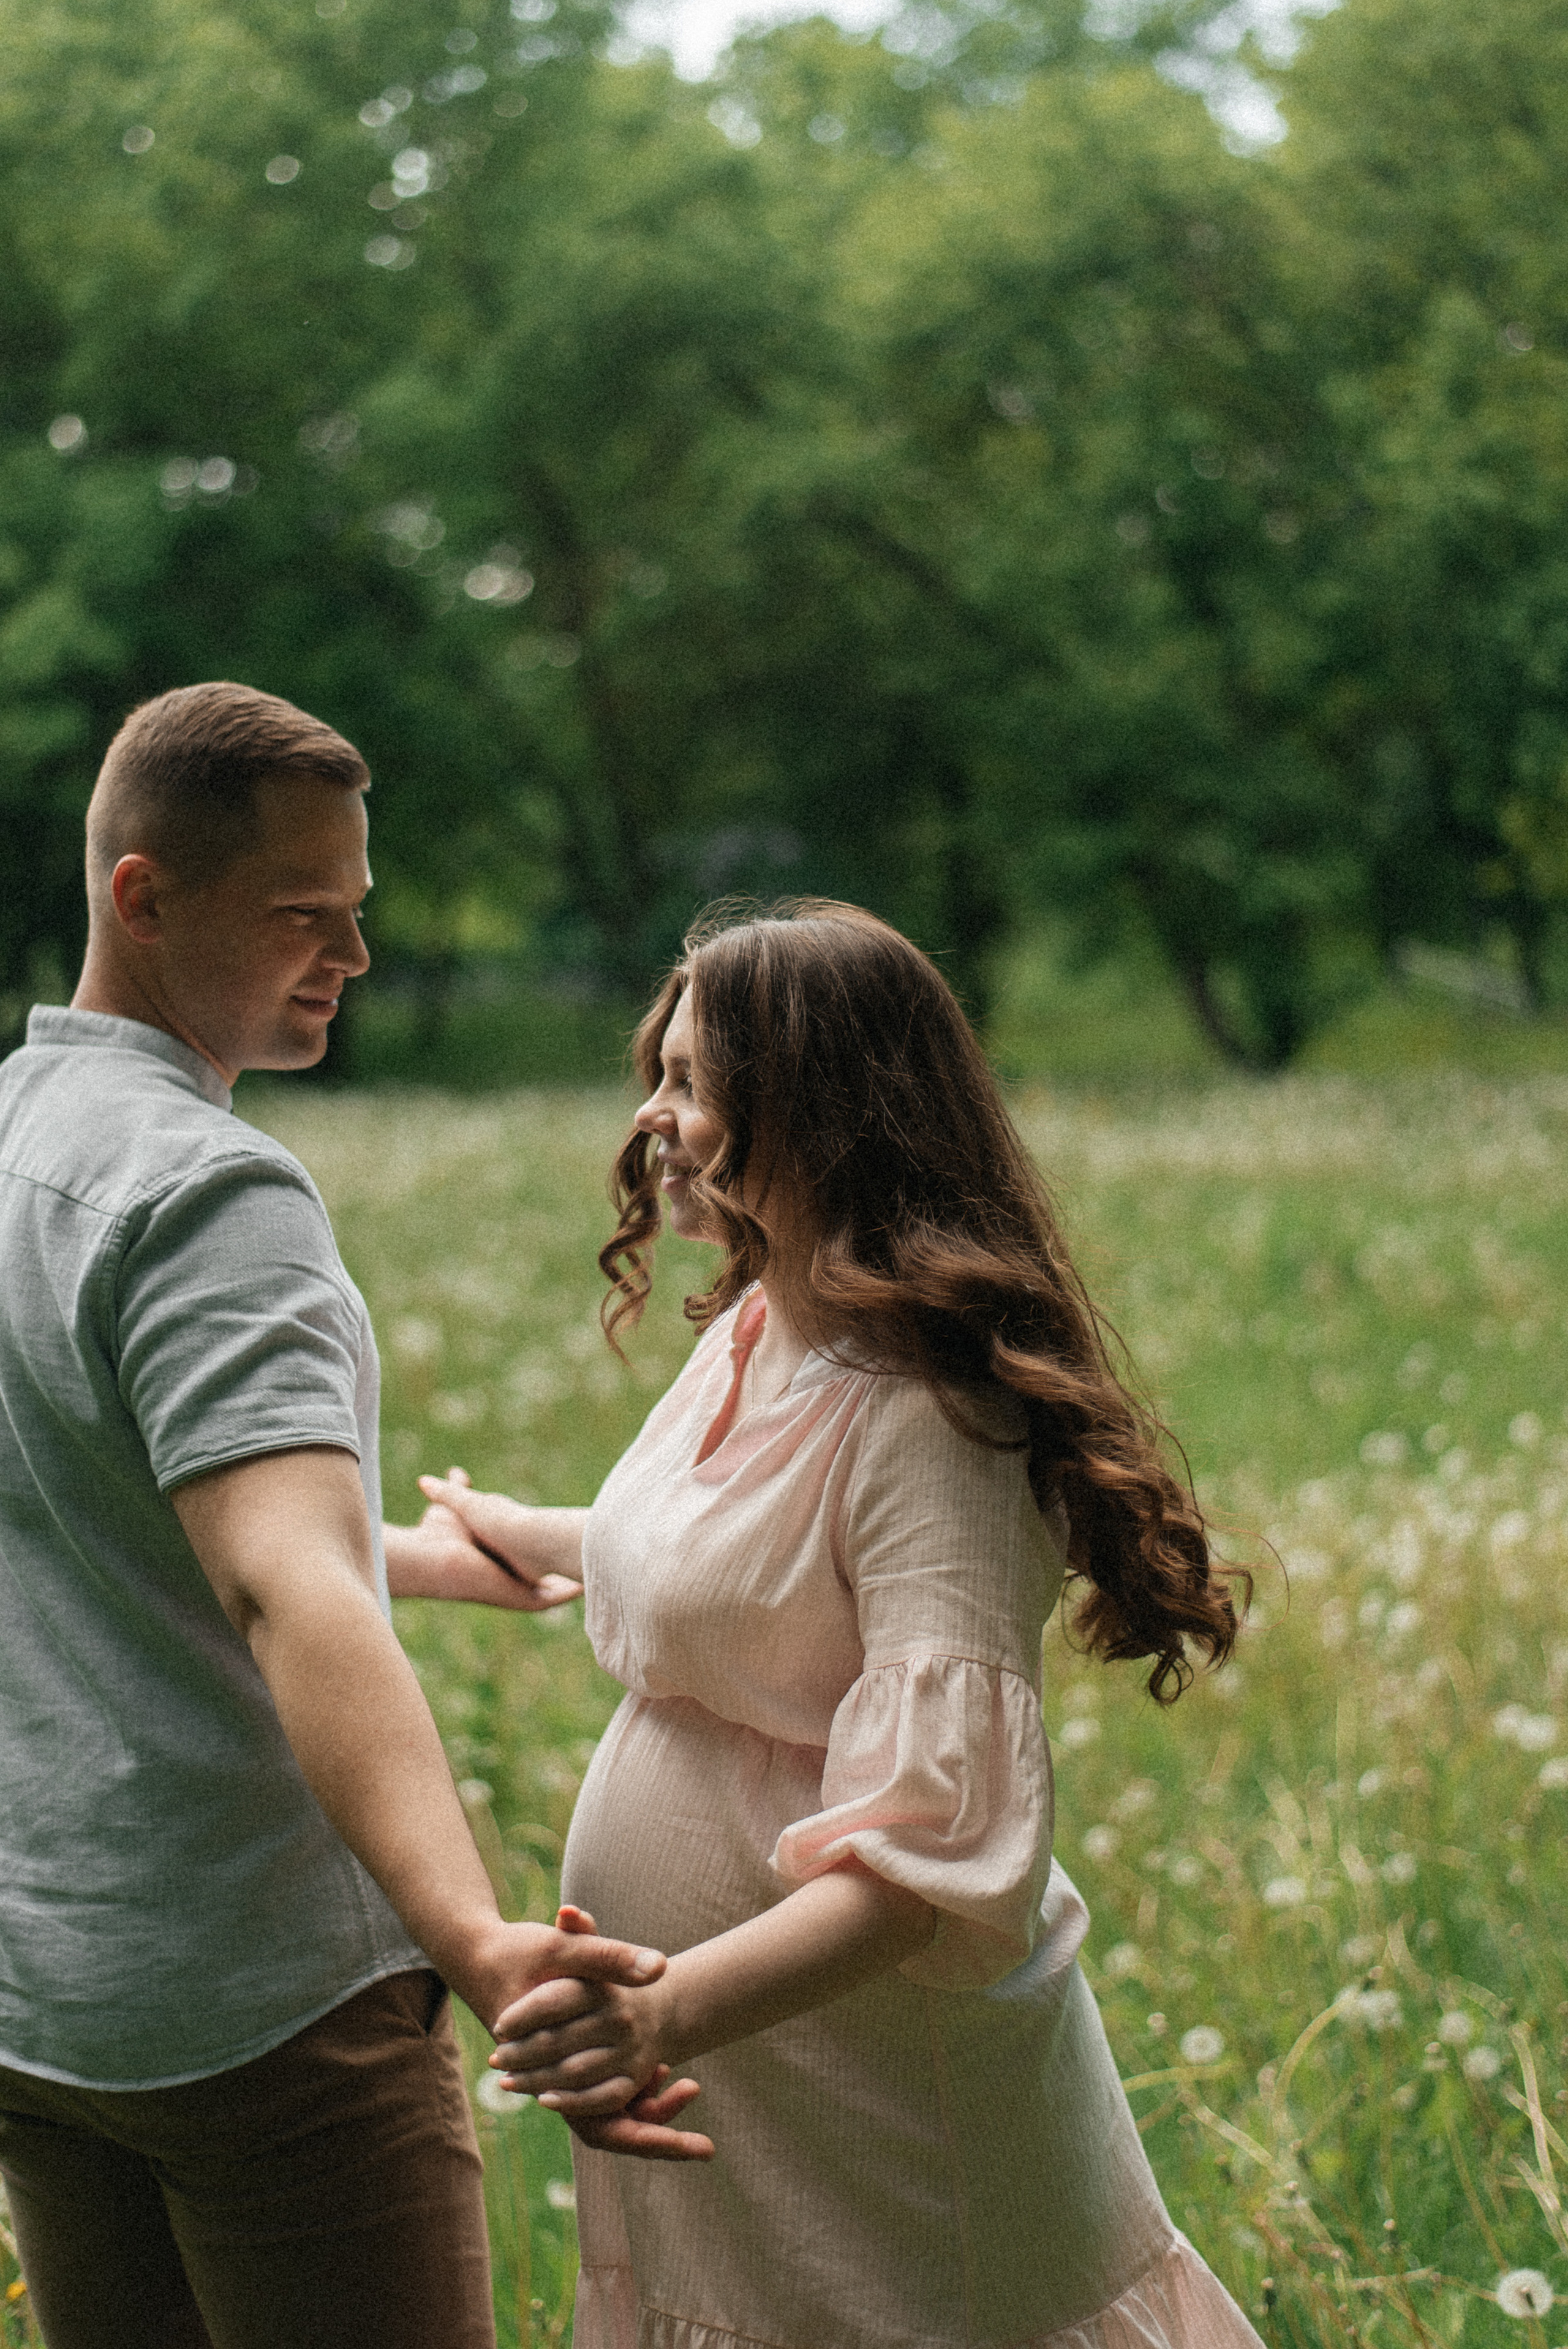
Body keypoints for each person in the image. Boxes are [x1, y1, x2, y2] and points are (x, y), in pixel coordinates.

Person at [413, 899, 1265, 2349]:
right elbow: (728, 1571)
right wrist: (445, 1547)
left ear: (816, 1106)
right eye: (660, 1072)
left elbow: (926, 1863)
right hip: (759, 2094)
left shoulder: (932, 1414)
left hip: (877, 2114)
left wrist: (660, 2014)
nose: (654, 1116)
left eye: (692, 1083)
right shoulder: (770, 1320)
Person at [0, 683, 699, 2349]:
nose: (352, 958)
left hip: (45, 1996)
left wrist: (407, 1559)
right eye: (300, 915)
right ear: (142, 895)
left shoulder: (15, 1141)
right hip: (261, 2004)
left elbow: (68, 1490)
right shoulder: (212, 1191)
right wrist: (476, 1937)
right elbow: (281, 1588)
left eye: (359, 913)